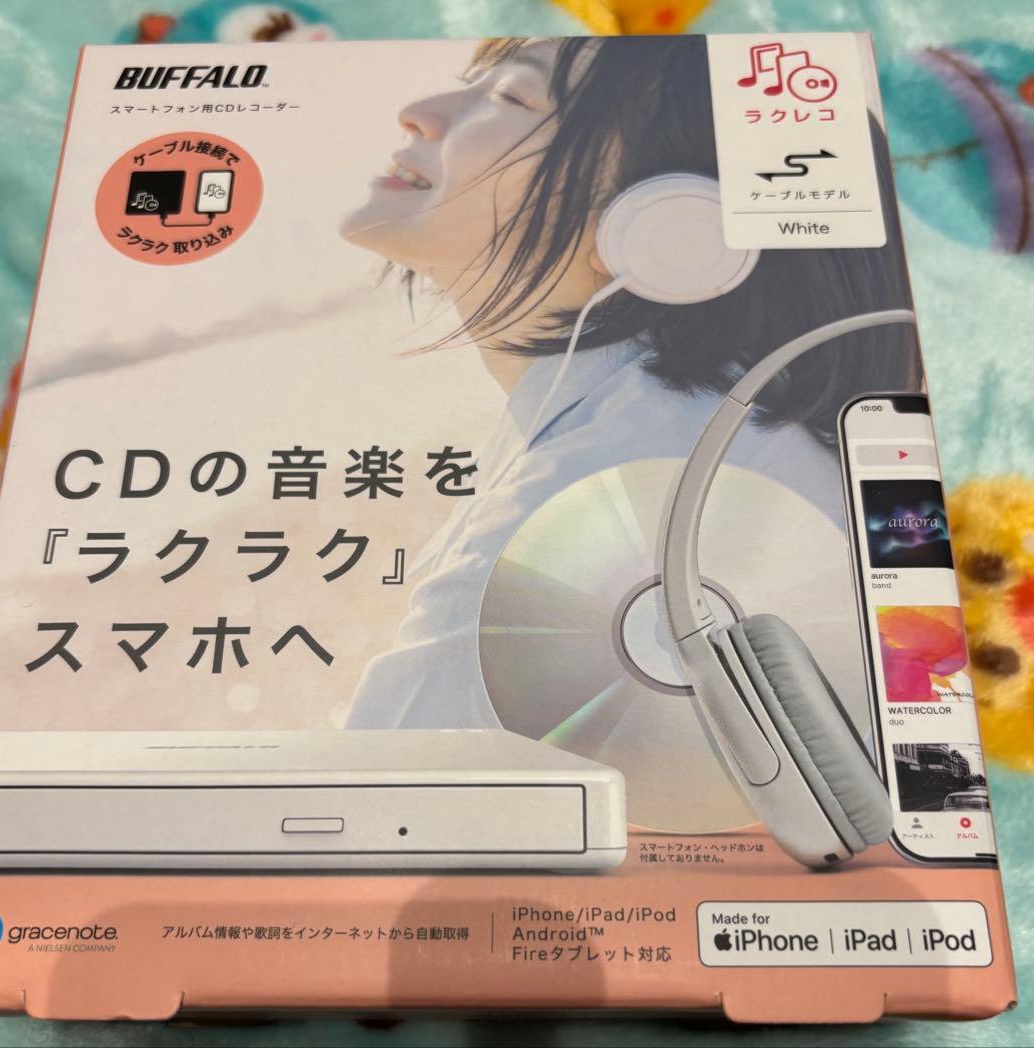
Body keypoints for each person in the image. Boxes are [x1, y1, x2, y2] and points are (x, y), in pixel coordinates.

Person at [338, 36, 921, 730]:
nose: (418, 111)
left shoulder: (633, 483)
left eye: (510, 96)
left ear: (664, 227)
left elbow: (392, 776)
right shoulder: (677, 427)